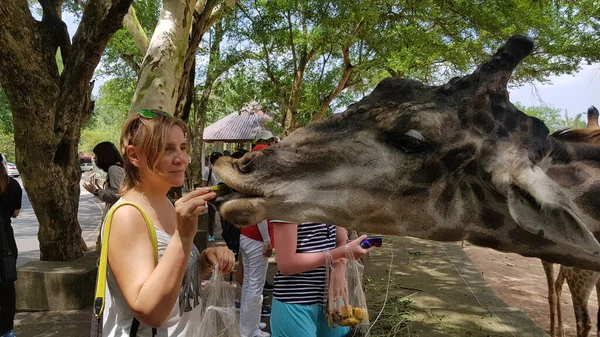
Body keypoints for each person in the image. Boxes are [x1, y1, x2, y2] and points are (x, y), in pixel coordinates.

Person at [102, 109, 235, 336]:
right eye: (167, 149)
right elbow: (150, 312)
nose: (181, 159)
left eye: (183, 147)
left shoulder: (166, 203)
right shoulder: (127, 216)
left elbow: (173, 281)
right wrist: (183, 237)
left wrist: (204, 260)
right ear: (134, 156)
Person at [270, 222, 372, 337]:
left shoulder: (332, 203)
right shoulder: (287, 204)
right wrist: (343, 252)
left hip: (334, 302)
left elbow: (341, 240)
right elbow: (286, 265)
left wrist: (340, 265)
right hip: (296, 303)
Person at [238, 143, 275, 337]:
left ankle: (249, 323)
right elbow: (259, 214)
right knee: (255, 285)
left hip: (246, 236)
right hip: (256, 238)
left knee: (250, 284)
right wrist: (268, 240)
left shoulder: (247, 179)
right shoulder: (260, 183)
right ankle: (249, 330)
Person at [0, 154, 22, 337]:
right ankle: (7, 329)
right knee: (7, 287)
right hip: (5, 242)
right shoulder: (12, 185)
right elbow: (15, 213)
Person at [82, 141, 125, 208]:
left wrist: (96, 191)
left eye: (96, 155)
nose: (94, 158)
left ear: (104, 155)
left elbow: (116, 194)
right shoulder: (118, 168)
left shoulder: (114, 169)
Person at [202, 152, 222, 242]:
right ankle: (211, 234)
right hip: (212, 195)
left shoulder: (223, 169)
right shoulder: (208, 170)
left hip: (222, 194)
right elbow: (204, 183)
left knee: (223, 215)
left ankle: (225, 232)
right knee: (211, 215)